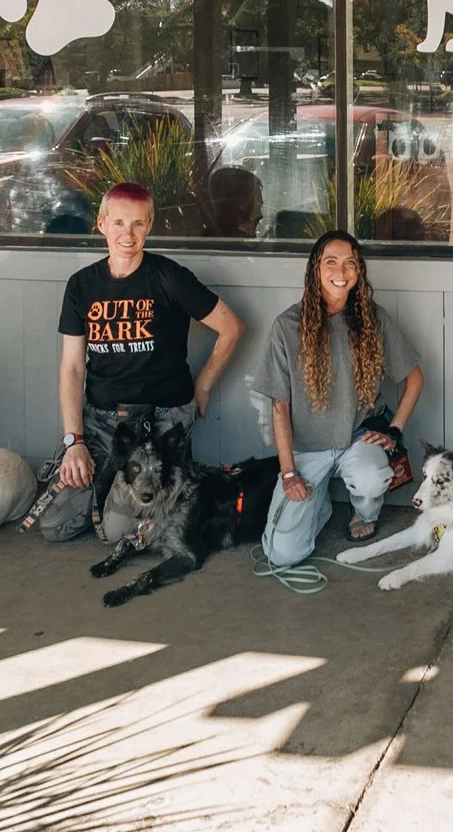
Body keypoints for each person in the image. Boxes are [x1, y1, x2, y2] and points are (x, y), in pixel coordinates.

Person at [48, 181, 245, 542]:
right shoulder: (81, 285)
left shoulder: (170, 278)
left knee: (117, 532)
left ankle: (183, 494)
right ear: (102, 224)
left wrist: (202, 386)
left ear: (149, 225)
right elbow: (72, 368)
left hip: (160, 419)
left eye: (138, 223)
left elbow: (231, 327)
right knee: (56, 526)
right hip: (104, 421)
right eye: (119, 223)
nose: (128, 233)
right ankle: (118, 488)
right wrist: (74, 441)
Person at [255, 230, 425, 567]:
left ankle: (364, 513)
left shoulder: (372, 319)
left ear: (359, 271)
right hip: (306, 448)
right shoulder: (287, 326)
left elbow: (415, 379)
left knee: (371, 478)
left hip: (357, 437)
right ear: (315, 270)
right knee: (281, 554)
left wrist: (394, 431)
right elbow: (280, 407)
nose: (341, 272)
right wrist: (289, 474)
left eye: (350, 263)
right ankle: (318, 505)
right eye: (331, 263)